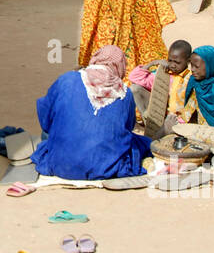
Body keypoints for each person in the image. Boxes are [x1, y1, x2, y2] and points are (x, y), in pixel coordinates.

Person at [30, 46, 152, 181]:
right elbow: (127, 128)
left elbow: (45, 116)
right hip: (107, 167)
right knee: (142, 143)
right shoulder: (125, 93)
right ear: (120, 66)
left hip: (62, 166)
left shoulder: (67, 79)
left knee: (53, 134)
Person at [127, 39, 199, 131]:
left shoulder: (190, 79)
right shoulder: (165, 75)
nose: (172, 65)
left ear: (188, 61)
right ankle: (149, 125)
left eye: (177, 62)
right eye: (170, 60)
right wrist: (153, 63)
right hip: (160, 116)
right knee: (135, 88)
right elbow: (134, 77)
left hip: (179, 120)